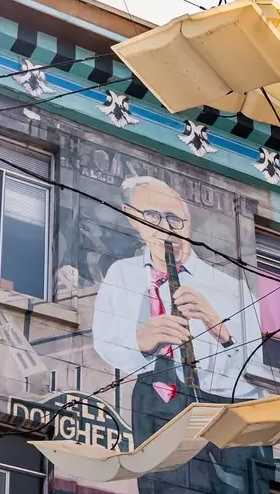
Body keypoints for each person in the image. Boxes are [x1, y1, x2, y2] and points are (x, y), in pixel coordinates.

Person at [90, 176, 256, 418]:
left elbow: (257, 372)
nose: (166, 229)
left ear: (188, 224)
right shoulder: (122, 273)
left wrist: (220, 329)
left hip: (217, 405)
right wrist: (139, 342)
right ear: (132, 218)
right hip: (148, 401)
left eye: (174, 219)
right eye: (152, 217)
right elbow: (105, 344)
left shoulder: (231, 288)